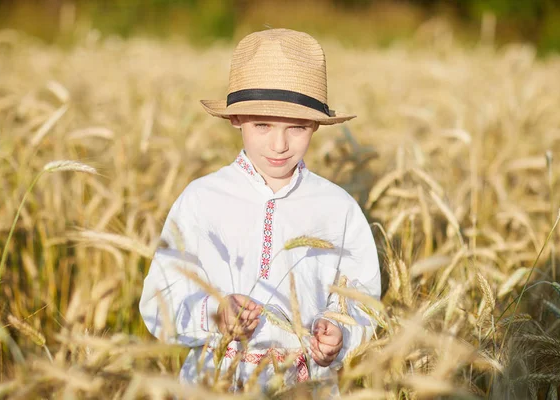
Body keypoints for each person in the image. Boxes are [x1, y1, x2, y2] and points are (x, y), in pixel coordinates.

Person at [139, 28, 381, 394]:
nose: (279, 144)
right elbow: (160, 300)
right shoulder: (201, 200)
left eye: (297, 127)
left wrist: (339, 334)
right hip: (213, 386)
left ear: (316, 125)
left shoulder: (337, 208)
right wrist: (217, 314)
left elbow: (360, 296)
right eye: (262, 125)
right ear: (236, 119)